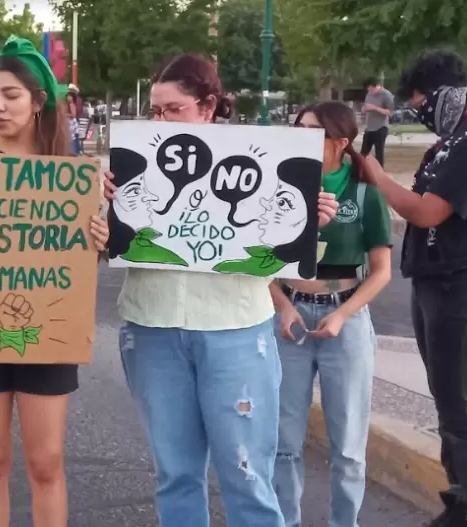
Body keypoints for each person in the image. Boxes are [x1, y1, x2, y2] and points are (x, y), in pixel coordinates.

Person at [101, 53, 339, 527]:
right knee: (176, 474)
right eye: (155, 110)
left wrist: (306, 225)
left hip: (235, 329)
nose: (160, 120)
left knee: (247, 476)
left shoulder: (263, 165)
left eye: (173, 109)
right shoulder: (129, 168)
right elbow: (102, 250)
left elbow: (282, 267)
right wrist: (104, 209)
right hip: (152, 327)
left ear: (208, 107)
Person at [0, 36, 109, 527]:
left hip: (50, 335)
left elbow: (76, 272)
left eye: (10, 94)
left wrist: (96, 241)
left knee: (45, 462)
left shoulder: (70, 175)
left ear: (37, 102)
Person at [360, 50, 467, 527]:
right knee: (448, 400)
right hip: (436, 281)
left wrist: (379, 178)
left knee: (461, 405)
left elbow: (429, 211)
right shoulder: (451, 142)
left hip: (461, 285)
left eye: (424, 101)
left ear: (452, 92)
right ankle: (460, 498)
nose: (422, 111)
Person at [271, 101, 393, 527]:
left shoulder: (364, 193)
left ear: (341, 143)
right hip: (290, 320)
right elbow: (257, 261)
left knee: (347, 447)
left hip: (346, 318)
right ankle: (284, 519)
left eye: (313, 131)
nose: (301, 136)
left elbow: (381, 272)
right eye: (298, 127)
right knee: (284, 441)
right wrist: (282, 305)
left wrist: (344, 315)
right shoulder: (278, 187)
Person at [360, 77, 395, 167]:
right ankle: (360, 172)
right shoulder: (369, 94)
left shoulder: (386, 95)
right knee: (363, 153)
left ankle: (380, 175)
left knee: (379, 153)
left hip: (381, 127)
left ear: (376, 86)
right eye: (368, 90)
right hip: (369, 127)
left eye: (371, 89)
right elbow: (366, 106)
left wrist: (375, 108)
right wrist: (364, 109)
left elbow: (390, 113)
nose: (370, 92)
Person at [65, 90, 81, 156]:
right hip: (71, 124)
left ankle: (73, 152)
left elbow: (73, 115)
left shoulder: (71, 104)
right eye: (68, 96)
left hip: (72, 124)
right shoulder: (69, 104)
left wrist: (65, 114)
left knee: (72, 138)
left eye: (70, 96)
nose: (68, 98)